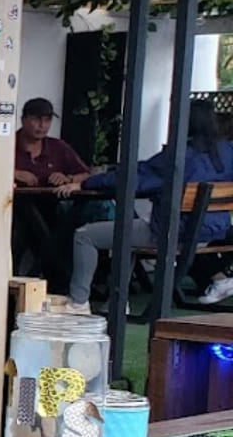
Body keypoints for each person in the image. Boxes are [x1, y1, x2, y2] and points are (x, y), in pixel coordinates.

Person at [54, 99, 233, 311]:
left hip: (171, 232)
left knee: (85, 235)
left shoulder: (179, 155)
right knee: (127, 232)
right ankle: (116, 303)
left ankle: (79, 301)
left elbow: (135, 177)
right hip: (211, 232)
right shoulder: (227, 152)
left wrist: (86, 182)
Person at [14, 98, 91, 189]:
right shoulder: (6, 144)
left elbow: (87, 175)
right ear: (23, 120)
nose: (42, 125)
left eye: (47, 120)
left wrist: (68, 179)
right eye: (36, 119)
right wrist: (14, 174)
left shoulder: (58, 147)